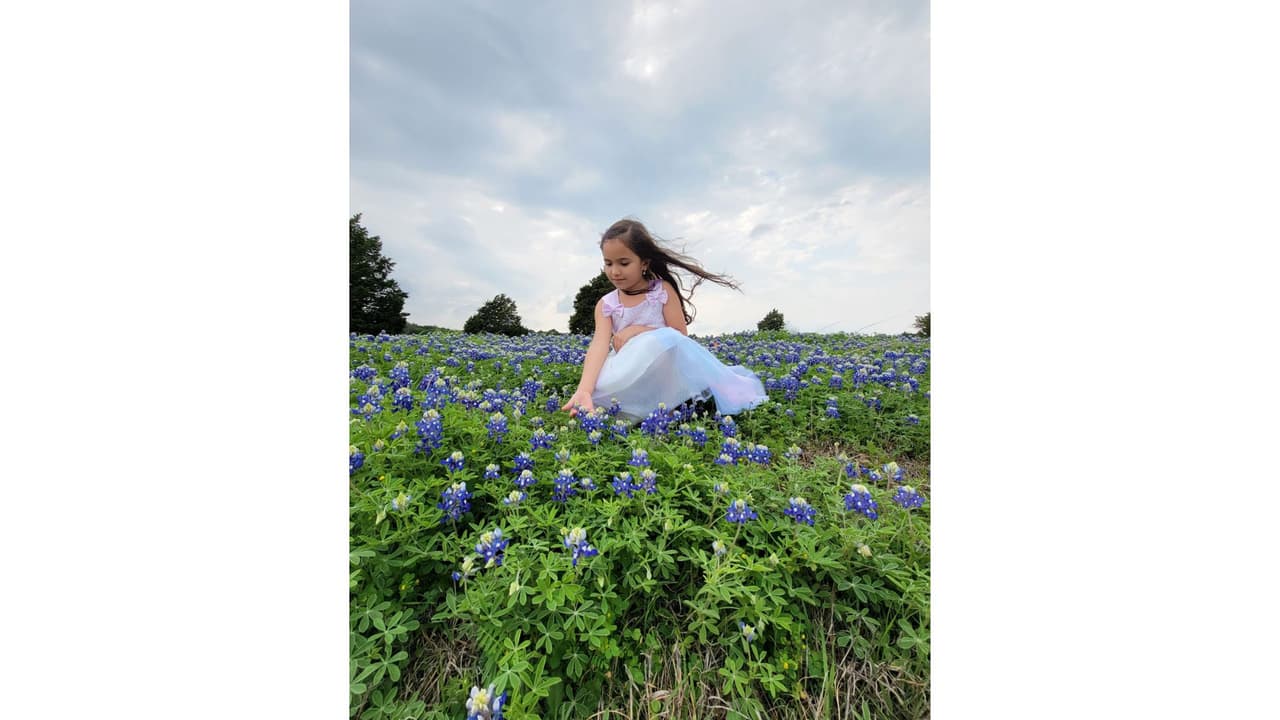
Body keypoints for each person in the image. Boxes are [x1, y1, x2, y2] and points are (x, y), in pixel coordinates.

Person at [560, 218, 768, 422]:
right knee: (602, 383)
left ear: (644, 263)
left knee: (660, 339)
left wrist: (638, 330)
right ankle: (629, 408)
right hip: (628, 368)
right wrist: (584, 389)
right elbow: (599, 345)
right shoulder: (606, 304)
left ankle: (665, 406)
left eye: (624, 263)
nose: (615, 271)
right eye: (608, 263)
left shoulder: (662, 290)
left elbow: (679, 336)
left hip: (665, 374)